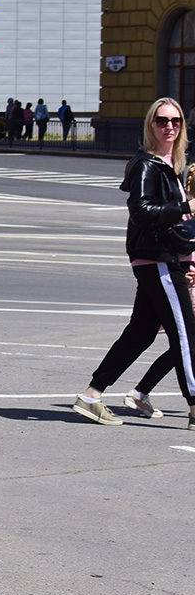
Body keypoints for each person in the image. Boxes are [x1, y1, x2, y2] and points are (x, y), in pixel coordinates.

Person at [78, 98, 195, 430]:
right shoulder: (146, 165)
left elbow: (178, 223)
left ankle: (91, 396)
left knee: (141, 333)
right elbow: (142, 213)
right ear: (150, 124)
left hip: (166, 257)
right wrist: (186, 206)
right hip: (156, 259)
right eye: (161, 120)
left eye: (175, 121)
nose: (169, 126)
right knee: (186, 334)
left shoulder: (173, 165)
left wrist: (189, 256)